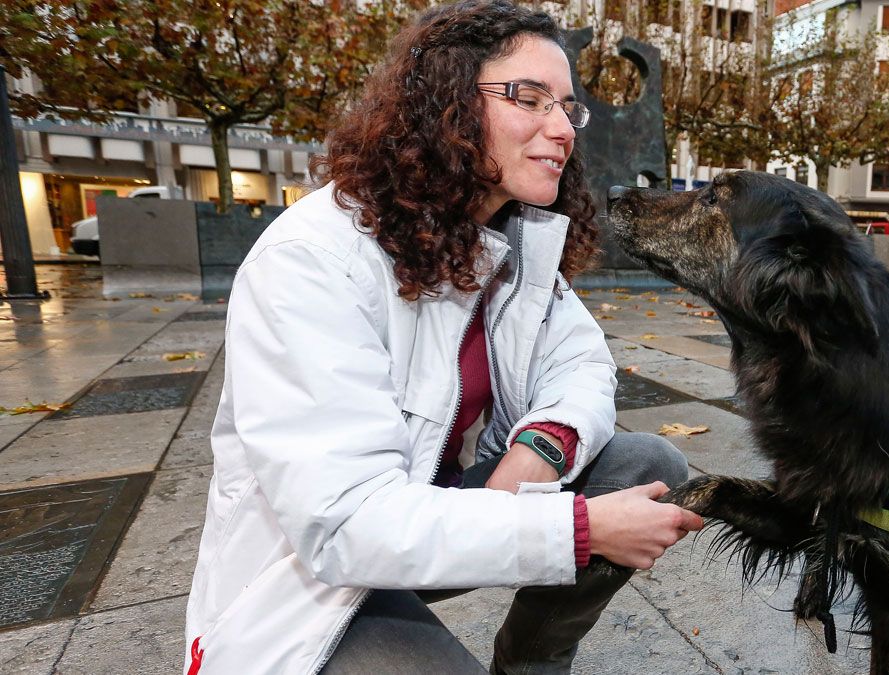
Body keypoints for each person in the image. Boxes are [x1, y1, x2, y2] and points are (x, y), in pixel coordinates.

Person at [183, 3, 704, 673]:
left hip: (446, 512)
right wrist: (577, 529)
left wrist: (542, 447)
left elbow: (584, 365)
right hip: (312, 576)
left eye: (569, 108)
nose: (561, 128)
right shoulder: (313, 259)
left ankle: (529, 663)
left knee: (646, 465)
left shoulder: (513, 238)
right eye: (529, 97)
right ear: (445, 103)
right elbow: (348, 523)